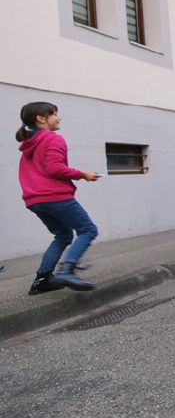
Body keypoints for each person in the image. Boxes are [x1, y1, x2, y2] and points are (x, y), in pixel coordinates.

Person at [17, 102, 99, 296]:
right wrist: (83, 174)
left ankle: (42, 280)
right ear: (41, 118)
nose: (58, 118)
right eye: (54, 114)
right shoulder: (53, 139)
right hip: (55, 196)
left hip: (35, 200)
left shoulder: (29, 144)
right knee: (88, 230)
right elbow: (54, 168)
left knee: (63, 235)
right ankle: (67, 270)